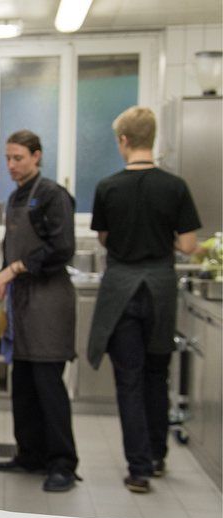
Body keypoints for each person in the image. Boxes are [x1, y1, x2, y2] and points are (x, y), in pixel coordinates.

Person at [86, 106, 201, 493]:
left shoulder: (107, 186)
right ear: (151, 139)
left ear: (124, 141)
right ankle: (157, 455)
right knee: (157, 376)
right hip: (160, 290)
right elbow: (188, 244)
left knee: (129, 381)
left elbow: (103, 238)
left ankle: (139, 470)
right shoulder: (175, 186)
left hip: (121, 289)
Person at [0, 130, 79, 493]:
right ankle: (30, 455)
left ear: (37, 156)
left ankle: (62, 464)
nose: (11, 165)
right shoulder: (15, 197)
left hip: (49, 303)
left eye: (18, 158)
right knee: (23, 385)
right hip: (22, 304)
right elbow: (14, 255)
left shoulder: (53, 195)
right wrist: (3, 281)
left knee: (48, 386)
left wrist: (13, 270)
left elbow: (61, 249)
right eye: (7, 158)